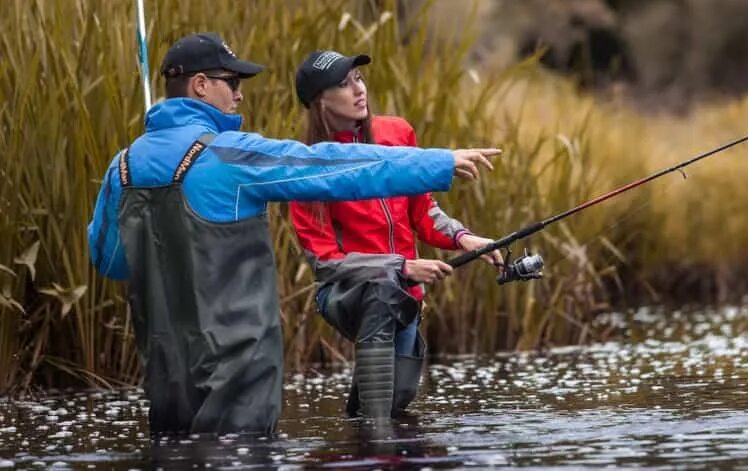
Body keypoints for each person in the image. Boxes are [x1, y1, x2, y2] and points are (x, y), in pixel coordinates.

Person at [86, 32, 500, 435]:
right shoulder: (231, 154)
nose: (240, 95)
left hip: (166, 382)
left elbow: (110, 261)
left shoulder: (121, 167)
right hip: (239, 385)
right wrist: (439, 163)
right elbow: (330, 165)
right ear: (200, 86)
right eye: (232, 83)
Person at [289, 49, 503, 419]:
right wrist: (401, 266)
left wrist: (464, 238)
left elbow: (424, 212)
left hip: (405, 290)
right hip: (346, 294)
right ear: (319, 102)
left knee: (397, 397)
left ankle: (359, 444)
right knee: (381, 295)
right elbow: (326, 263)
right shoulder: (306, 168)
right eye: (343, 84)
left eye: (358, 78)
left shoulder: (397, 132)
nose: (359, 89)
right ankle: (373, 440)